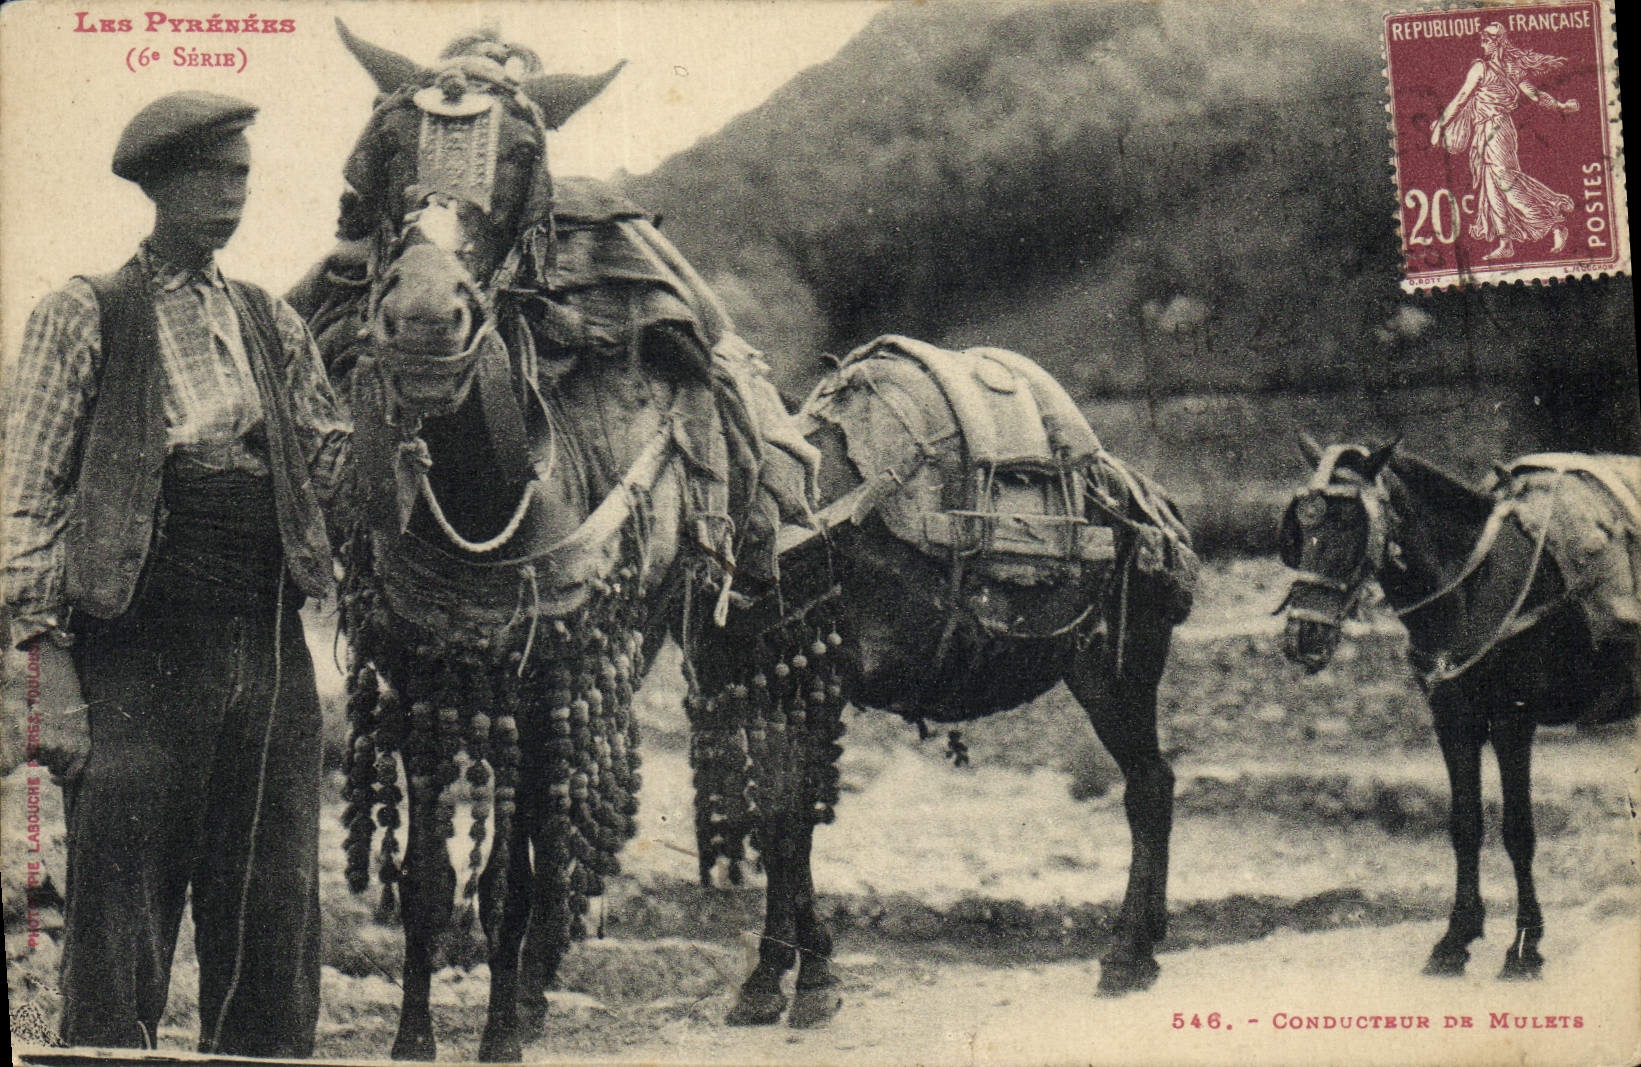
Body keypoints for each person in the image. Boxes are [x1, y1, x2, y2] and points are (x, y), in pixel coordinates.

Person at [1, 91, 349, 1055]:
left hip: (268, 643)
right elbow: (29, 505)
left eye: (242, 174)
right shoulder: (86, 314)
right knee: (121, 912)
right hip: (138, 645)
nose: (233, 193)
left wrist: (401, 423)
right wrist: (52, 679)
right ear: (160, 184)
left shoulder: (270, 320)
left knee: (272, 910)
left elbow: (328, 467)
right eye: (212, 174)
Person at [1429, 21, 1578, 261]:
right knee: (1491, 188)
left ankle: (1554, 221)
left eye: (1487, 40)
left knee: (1505, 180)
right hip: (1483, 132)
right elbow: (1462, 99)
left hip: (1498, 130)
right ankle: (1505, 242)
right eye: (1482, 40)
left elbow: (1534, 95)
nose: (1483, 44)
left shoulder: (1502, 69)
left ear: (1498, 43)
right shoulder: (1487, 67)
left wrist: (1560, 106)